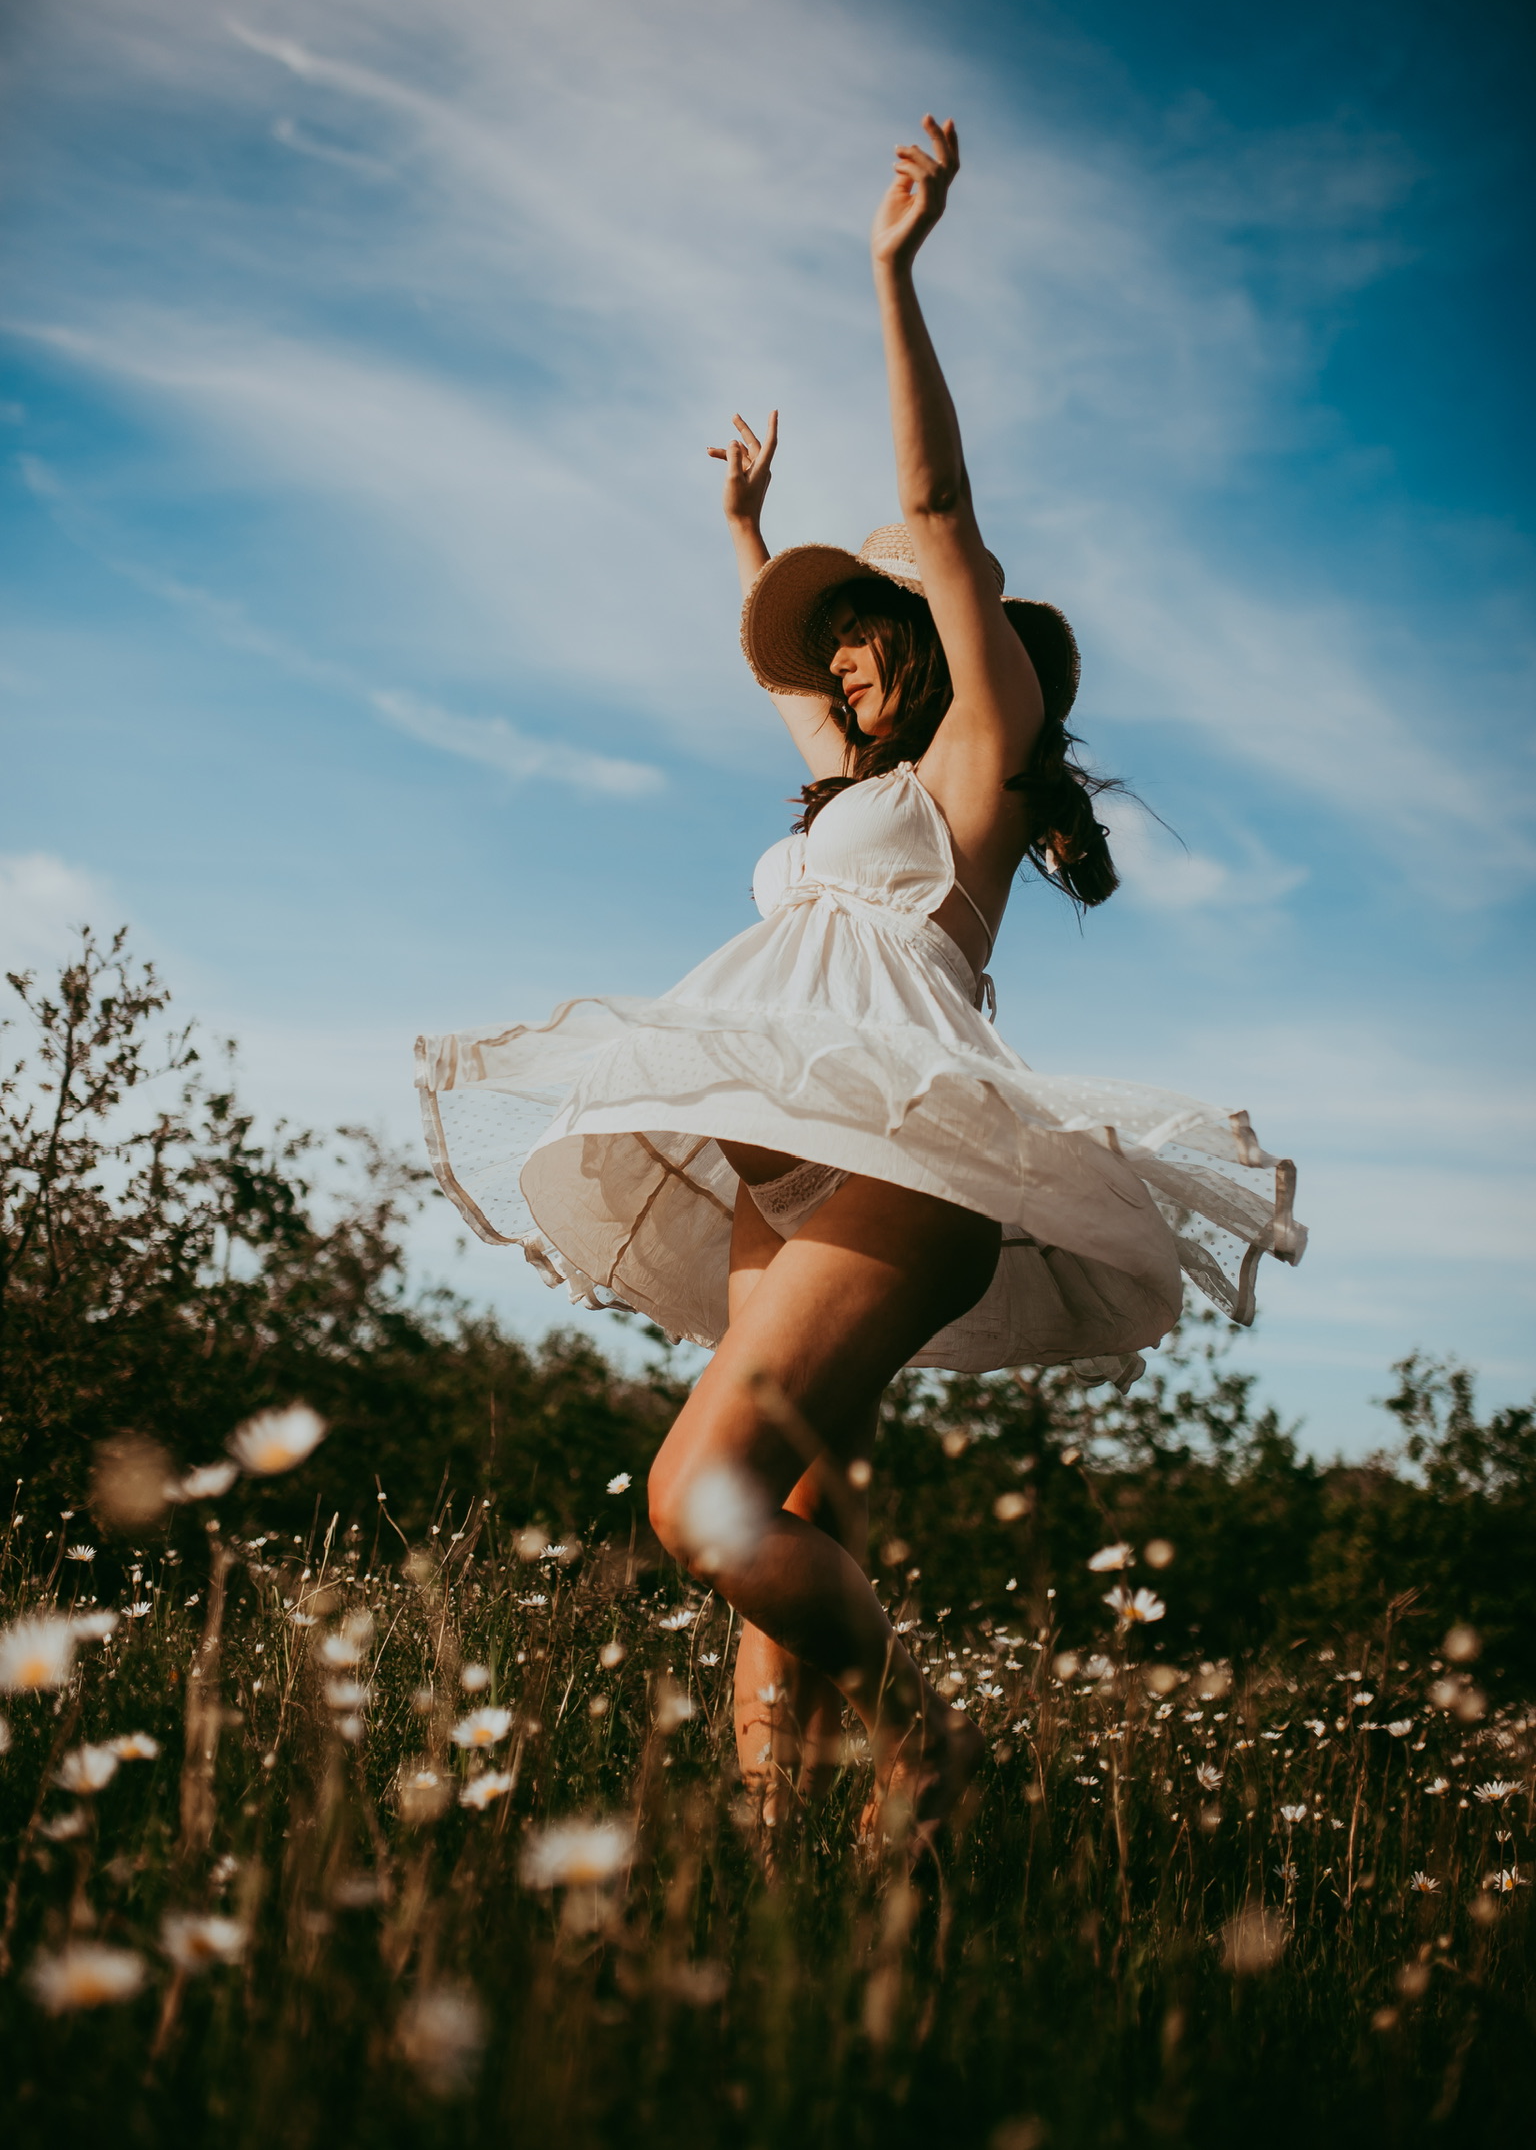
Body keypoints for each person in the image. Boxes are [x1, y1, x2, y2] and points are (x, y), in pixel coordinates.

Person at [415, 116, 1305, 1843]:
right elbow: (788, 679)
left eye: (862, 634)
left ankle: (941, 1768)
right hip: (783, 1155)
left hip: (902, 1166)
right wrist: (749, 540)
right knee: (789, 1502)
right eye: (830, 652)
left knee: (701, 1501)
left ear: (938, 653)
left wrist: (891, 273)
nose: (836, 663)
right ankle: (773, 1871)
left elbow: (939, 513)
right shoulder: (847, 792)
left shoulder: (972, 782)